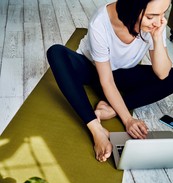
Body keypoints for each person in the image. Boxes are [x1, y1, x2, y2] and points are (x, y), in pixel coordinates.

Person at [47, 0, 173, 163]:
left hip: (123, 73)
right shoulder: (100, 21)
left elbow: (163, 73)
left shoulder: (156, 23)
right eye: (151, 16)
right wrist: (128, 119)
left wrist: (157, 38)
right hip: (93, 71)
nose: (158, 21)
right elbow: (106, 80)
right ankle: (96, 128)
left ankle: (111, 109)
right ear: (132, 8)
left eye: (163, 13)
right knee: (56, 53)